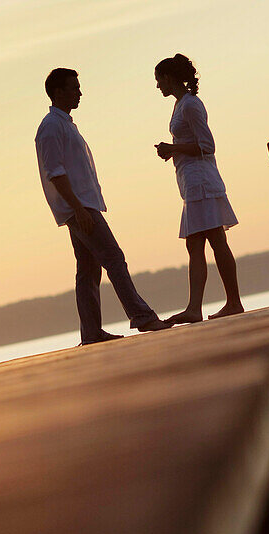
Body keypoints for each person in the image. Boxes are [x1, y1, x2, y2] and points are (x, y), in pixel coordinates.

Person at [36, 68, 172, 345]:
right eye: (74, 88)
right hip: (80, 207)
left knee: (88, 270)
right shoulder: (51, 126)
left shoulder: (64, 123)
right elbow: (55, 172)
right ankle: (142, 316)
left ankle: (91, 332)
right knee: (113, 258)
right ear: (58, 92)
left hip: (83, 205)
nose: (80, 93)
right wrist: (77, 209)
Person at [154, 54, 244, 322]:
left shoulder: (191, 105)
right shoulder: (181, 104)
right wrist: (173, 151)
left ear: (169, 78)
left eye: (159, 80)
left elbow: (207, 145)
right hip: (190, 182)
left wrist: (174, 148)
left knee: (215, 240)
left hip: (201, 181)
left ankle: (230, 303)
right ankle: (196, 308)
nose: (158, 86)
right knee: (196, 245)